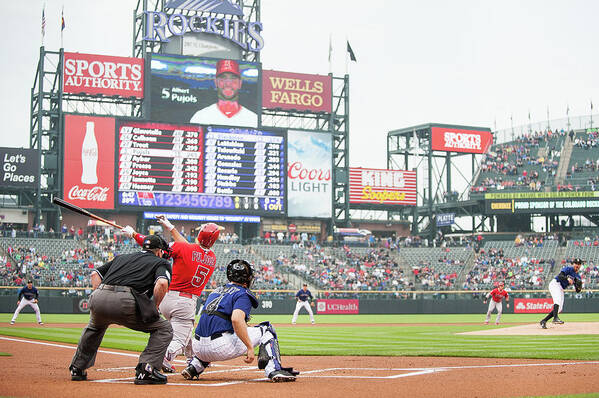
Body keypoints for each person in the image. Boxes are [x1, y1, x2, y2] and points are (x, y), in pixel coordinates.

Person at [69, 235, 173, 385]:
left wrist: (99, 295)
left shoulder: (122, 257)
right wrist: (155, 307)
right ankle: (146, 369)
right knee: (164, 328)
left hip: (98, 296)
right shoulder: (160, 262)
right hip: (126, 300)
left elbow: (95, 274)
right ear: (159, 251)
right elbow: (162, 283)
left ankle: (77, 368)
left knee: (94, 327)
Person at [122, 216, 222, 373]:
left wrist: (134, 234)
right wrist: (171, 227)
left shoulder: (184, 248)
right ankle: (164, 355)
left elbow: (155, 248)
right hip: (185, 302)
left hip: (166, 299)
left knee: (186, 334)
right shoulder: (212, 258)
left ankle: (193, 359)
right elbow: (189, 247)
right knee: (180, 339)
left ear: (200, 234)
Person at [182, 259, 298, 382]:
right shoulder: (242, 293)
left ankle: (194, 367)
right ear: (247, 278)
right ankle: (273, 369)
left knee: (216, 331)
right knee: (267, 329)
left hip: (198, 348)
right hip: (219, 347)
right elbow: (236, 320)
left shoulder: (215, 291)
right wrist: (249, 347)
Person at [189, 59, 258, 127]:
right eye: (223, 78)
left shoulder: (253, 119)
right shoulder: (200, 117)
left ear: (240, 83)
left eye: (233, 78)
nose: (228, 83)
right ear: (216, 82)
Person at [540, 258, 583, 329]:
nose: (577, 265)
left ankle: (544, 321)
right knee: (557, 300)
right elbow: (560, 276)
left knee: (559, 309)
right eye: (576, 263)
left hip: (561, 288)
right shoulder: (568, 269)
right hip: (555, 284)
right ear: (573, 264)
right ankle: (555, 319)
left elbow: (577, 290)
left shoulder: (577, 276)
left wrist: (579, 287)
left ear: (580, 265)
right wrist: (567, 279)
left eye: (579, 264)